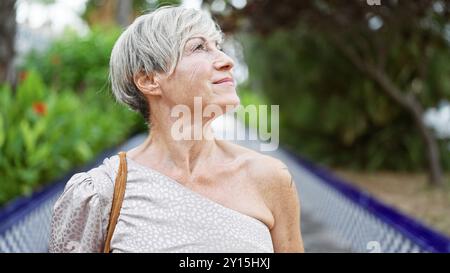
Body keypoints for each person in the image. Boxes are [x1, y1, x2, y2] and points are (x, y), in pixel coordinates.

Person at [49, 5, 304, 253]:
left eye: (218, 46)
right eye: (199, 47)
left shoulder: (271, 179)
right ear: (149, 80)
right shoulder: (101, 193)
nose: (226, 61)